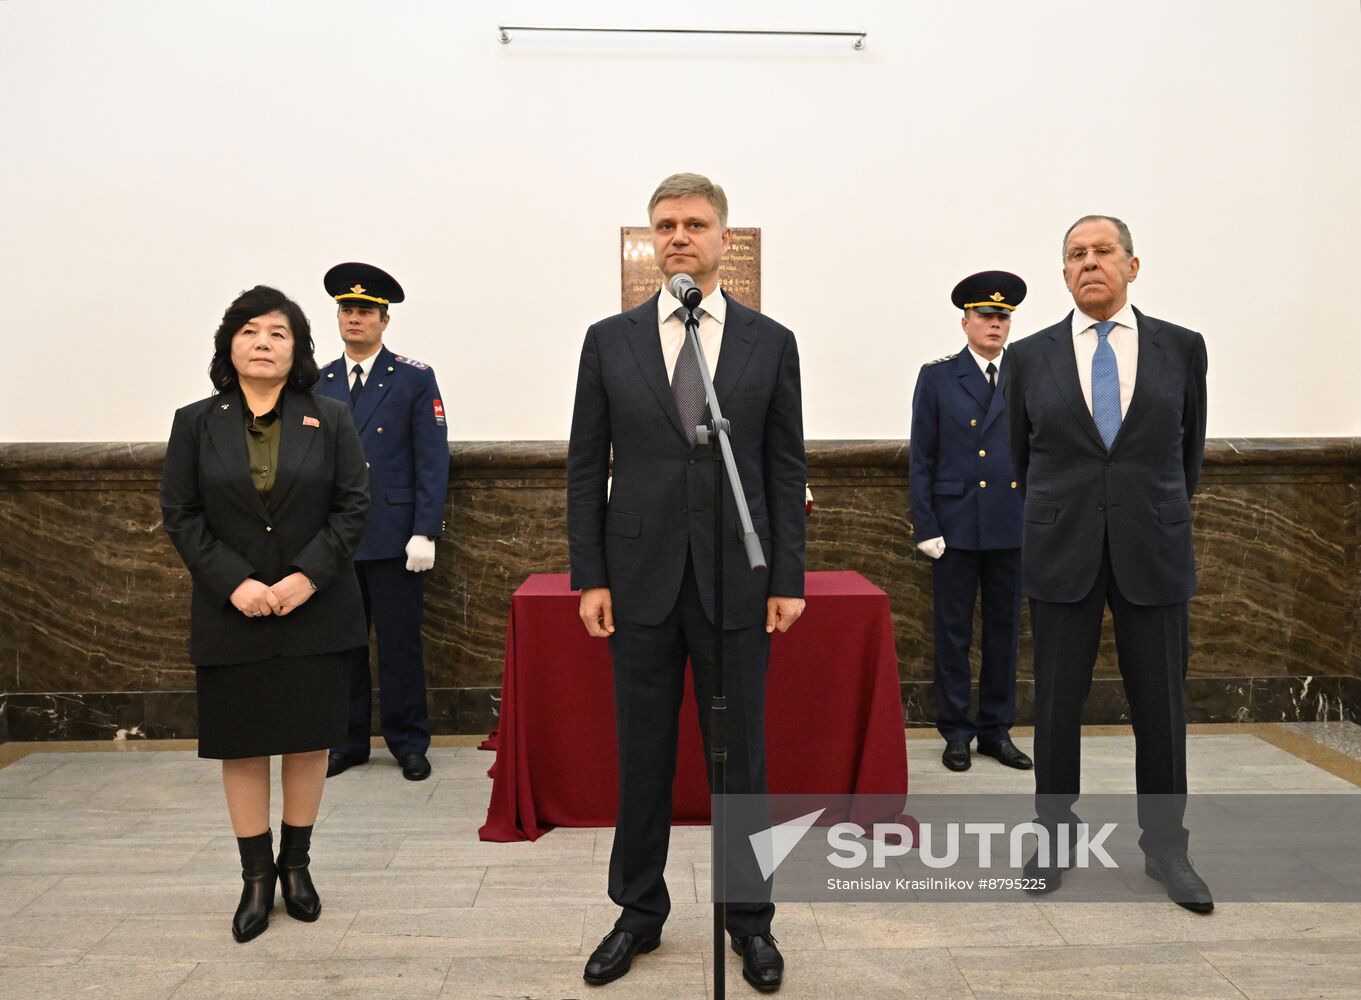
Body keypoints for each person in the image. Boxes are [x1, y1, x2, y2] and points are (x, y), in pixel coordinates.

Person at [566, 173, 806, 992]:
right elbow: (581, 467)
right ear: (650, 238)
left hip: (736, 581)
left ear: (722, 240)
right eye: (665, 224)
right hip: (636, 581)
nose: (678, 236)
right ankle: (637, 911)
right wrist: (588, 575)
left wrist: (786, 575)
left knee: (743, 760)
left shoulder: (768, 342)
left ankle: (751, 922)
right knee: (642, 754)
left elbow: (782, 467)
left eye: (694, 224)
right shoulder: (609, 339)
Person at [1005, 215, 1212, 912]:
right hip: (1061, 549)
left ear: (1132, 265)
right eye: (1074, 255)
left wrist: (1143, 509)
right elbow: (1018, 457)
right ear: (1062, 273)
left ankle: (1165, 848)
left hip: (1152, 547)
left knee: (1160, 706)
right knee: (1056, 705)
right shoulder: (1029, 356)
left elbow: (1187, 457)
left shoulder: (1180, 349)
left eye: (1101, 252)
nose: (1087, 262)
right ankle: (1055, 840)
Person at [160, 285, 369, 942]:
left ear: (297, 349)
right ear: (230, 344)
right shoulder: (196, 421)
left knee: (308, 740)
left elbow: (353, 506)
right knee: (244, 745)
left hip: (316, 608)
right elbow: (181, 513)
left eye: (278, 333)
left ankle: (296, 868)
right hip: (233, 614)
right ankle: (255, 877)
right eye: (250, 331)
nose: (262, 343)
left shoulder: (329, 417)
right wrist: (235, 583)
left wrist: (308, 575)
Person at [315, 262, 450, 782]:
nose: (354, 319)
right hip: (336, 540)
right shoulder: (319, 382)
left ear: (384, 321)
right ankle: (346, 741)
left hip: (396, 538)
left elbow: (432, 457)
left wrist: (426, 529)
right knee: (342, 647)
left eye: (365, 311)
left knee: (400, 645)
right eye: (347, 310)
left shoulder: (414, 378)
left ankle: (408, 741)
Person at [909, 271, 1031, 773]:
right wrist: (925, 525)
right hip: (955, 526)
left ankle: (995, 731)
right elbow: (922, 456)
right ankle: (957, 731)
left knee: (1004, 634)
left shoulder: (1028, 374)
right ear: (965, 322)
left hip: (1012, 523)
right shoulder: (938, 377)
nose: (995, 325)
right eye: (985, 315)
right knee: (953, 633)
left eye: (1003, 317)